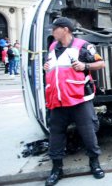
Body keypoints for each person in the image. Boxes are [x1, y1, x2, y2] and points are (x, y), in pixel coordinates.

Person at [43, 17, 106, 186]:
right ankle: (57, 169)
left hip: (79, 99)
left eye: (54, 29)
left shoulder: (83, 46)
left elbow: (101, 63)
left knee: (88, 134)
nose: (51, 31)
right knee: (55, 135)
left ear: (65, 29)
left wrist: (85, 66)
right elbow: (54, 67)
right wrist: (46, 67)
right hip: (57, 100)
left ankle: (95, 164)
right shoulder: (52, 47)